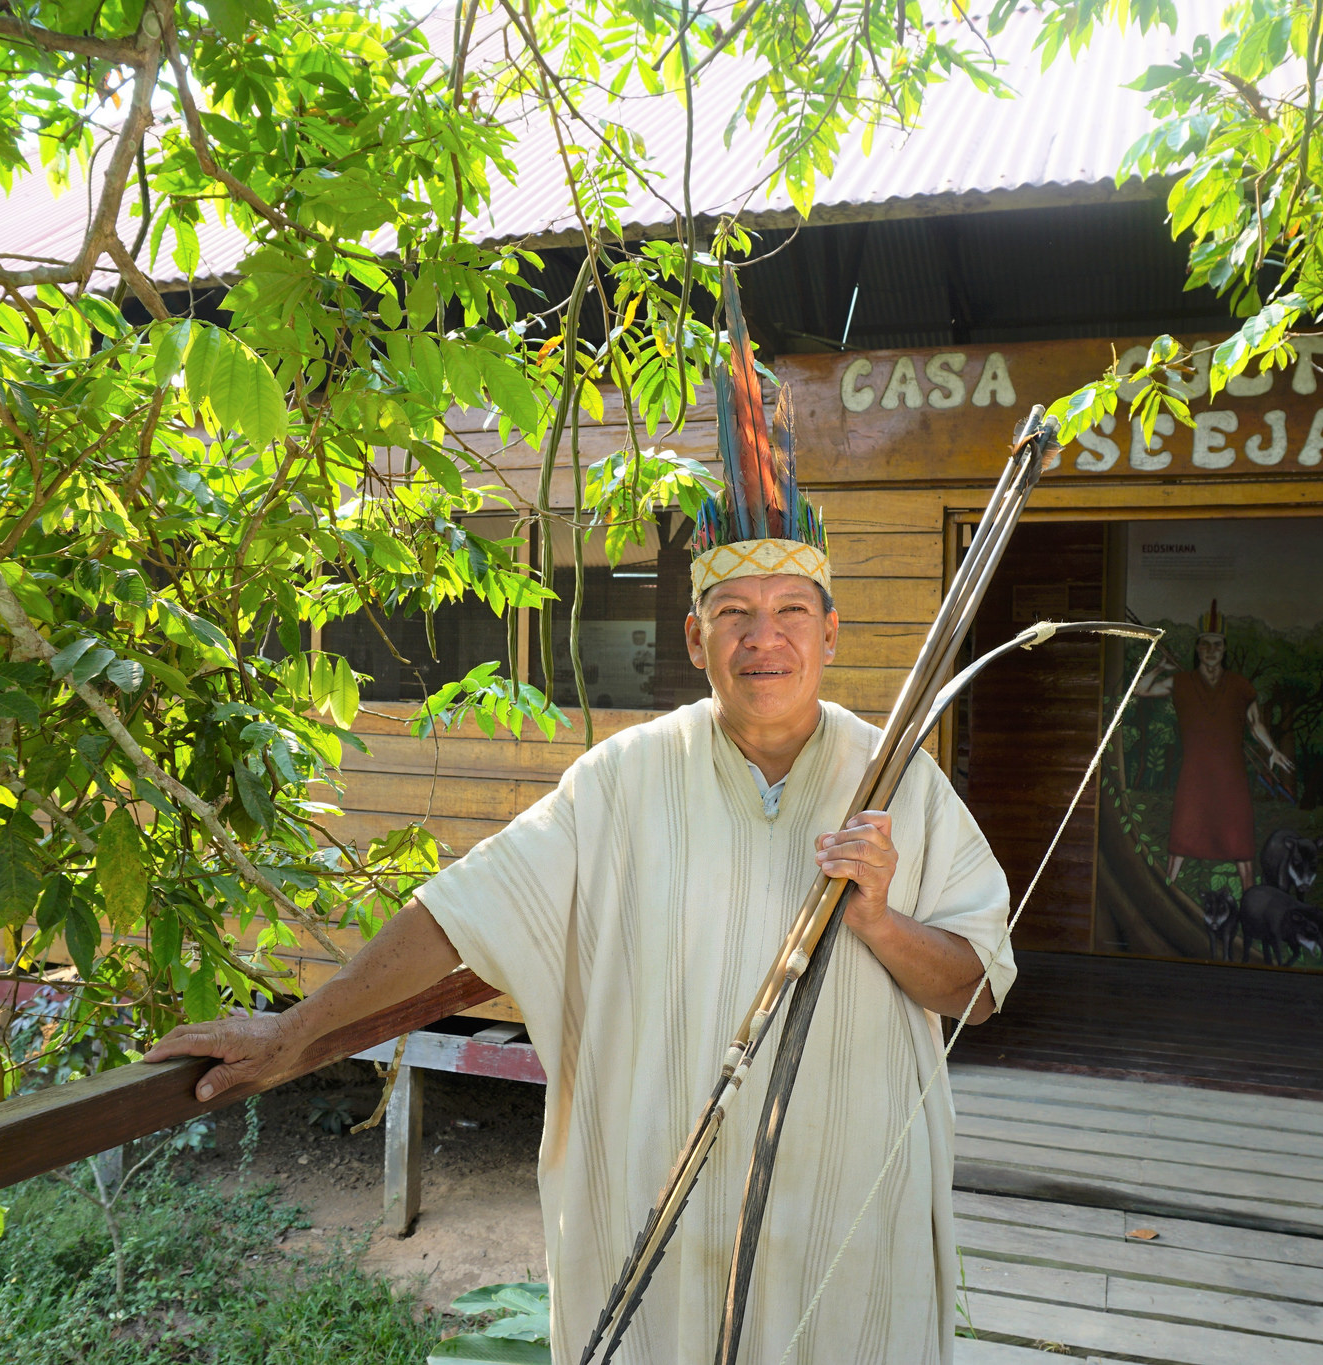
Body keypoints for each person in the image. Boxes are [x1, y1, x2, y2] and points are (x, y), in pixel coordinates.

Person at [144, 272, 1014, 1363]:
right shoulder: (624, 779)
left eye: (792, 611)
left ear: (829, 634)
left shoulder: (899, 780)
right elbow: (463, 912)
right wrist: (296, 1030)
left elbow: (978, 988)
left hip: (847, 1234)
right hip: (658, 1224)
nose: (764, 639)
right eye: (733, 613)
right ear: (695, 638)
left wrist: (878, 918)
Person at [1130, 601, 1293, 889]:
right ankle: (1169, 889)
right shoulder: (1181, 681)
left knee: (1238, 833)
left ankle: (1249, 894)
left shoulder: (1240, 685)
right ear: (1198, 648)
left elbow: (1255, 723)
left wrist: (1272, 750)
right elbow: (1141, 690)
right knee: (1184, 828)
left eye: (1217, 645)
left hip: (1231, 773)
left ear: (1224, 649)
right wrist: (1159, 667)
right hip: (1195, 771)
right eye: (1205, 644)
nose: (1211, 651)